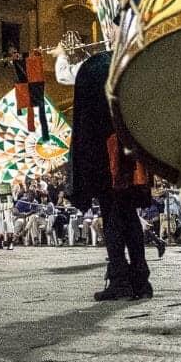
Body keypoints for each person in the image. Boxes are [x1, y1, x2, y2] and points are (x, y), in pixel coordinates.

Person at [60, 43, 152, 300]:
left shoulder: (95, 68)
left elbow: (86, 123)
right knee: (129, 214)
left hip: (107, 155)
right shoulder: (131, 63)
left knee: (112, 214)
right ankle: (141, 280)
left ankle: (119, 278)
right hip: (131, 152)